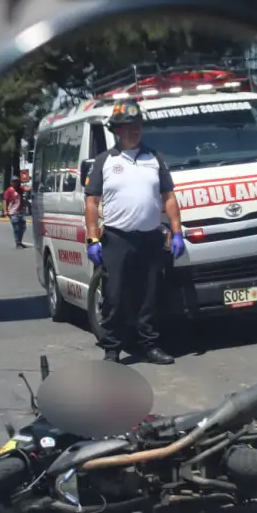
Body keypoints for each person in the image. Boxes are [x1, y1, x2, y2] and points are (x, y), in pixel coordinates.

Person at [84, 101, 185, 365]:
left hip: (150, 238)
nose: (134, 131)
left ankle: (150, 345)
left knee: (149, 295)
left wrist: (177, 232)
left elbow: (169, 197)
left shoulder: (154, 158)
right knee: (114, 296)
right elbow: (91, 201)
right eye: (128, 127)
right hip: (117, 239)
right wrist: (93, 239)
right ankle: (112, 349)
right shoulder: (105, 161)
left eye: (138, 126)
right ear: (117, 130)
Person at [3, 178, 27, 249]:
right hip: (13, 212)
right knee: (16, 228)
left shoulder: (20, 189)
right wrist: (5, 210)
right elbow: (5, 201)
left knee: (23, 227)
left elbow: (27, 188)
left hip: (20, 212)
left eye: (17, 182)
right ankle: (18, 243)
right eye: (14, 182)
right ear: (11, 183)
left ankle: (19, 241)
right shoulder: (9, 191)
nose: (16, 183)